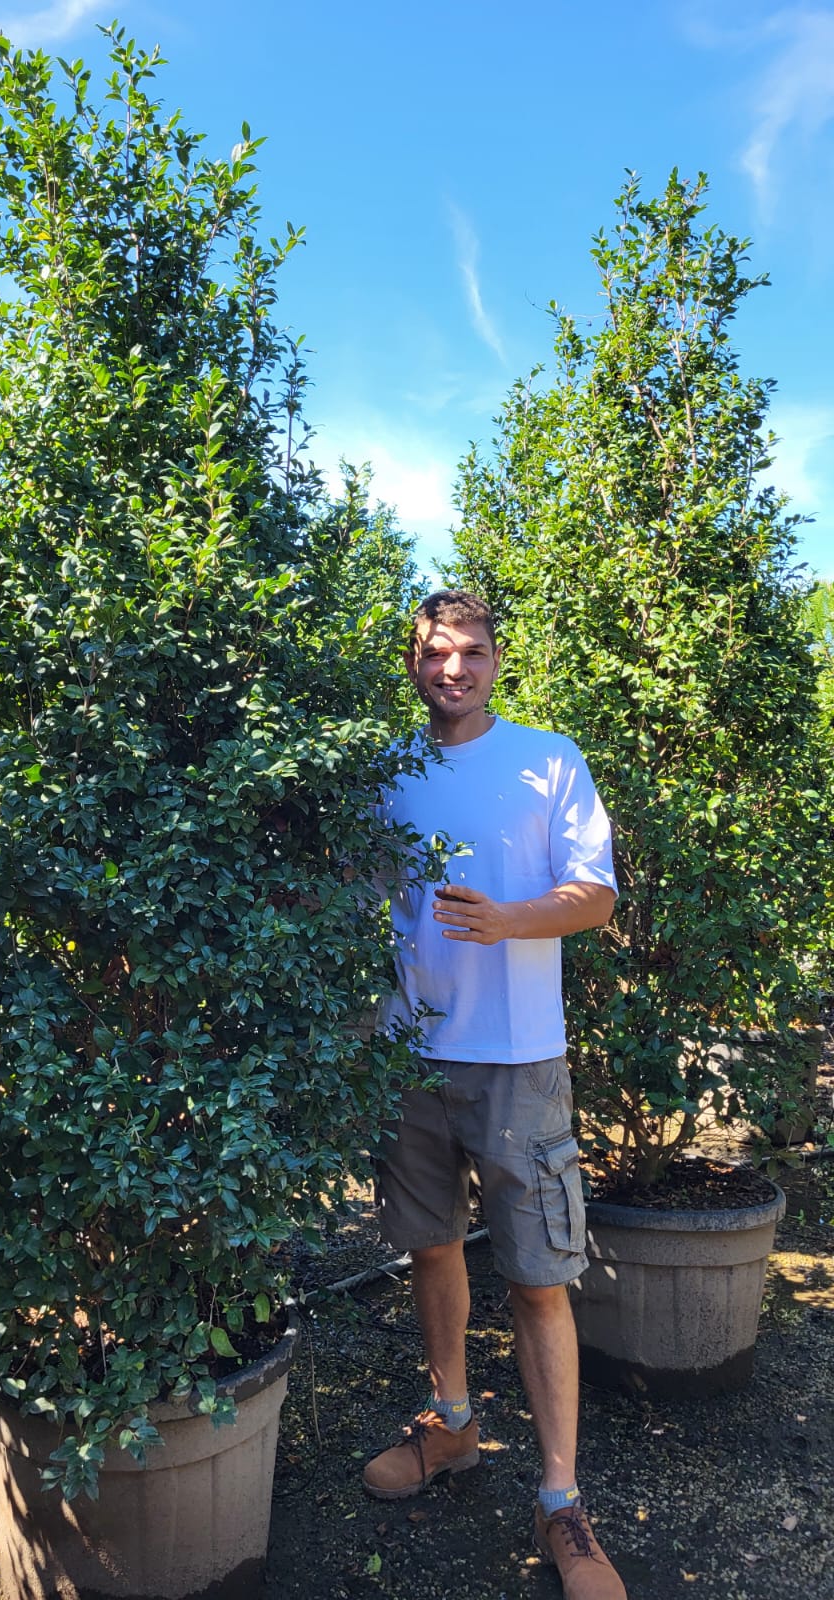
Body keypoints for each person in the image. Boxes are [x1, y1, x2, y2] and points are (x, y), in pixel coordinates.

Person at [363, 590, 626, 1600]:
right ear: (414, 662)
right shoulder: (385, 772)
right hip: (408, 1060)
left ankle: (561, 1501)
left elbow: (595, 892)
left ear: (496, 660)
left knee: (537, 1278)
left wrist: (513, 918)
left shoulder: (547, 758)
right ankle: (455, 1427)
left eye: (471, 650)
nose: (454, 667)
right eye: (436, 651)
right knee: (430, 1249)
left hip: (518, 1061)